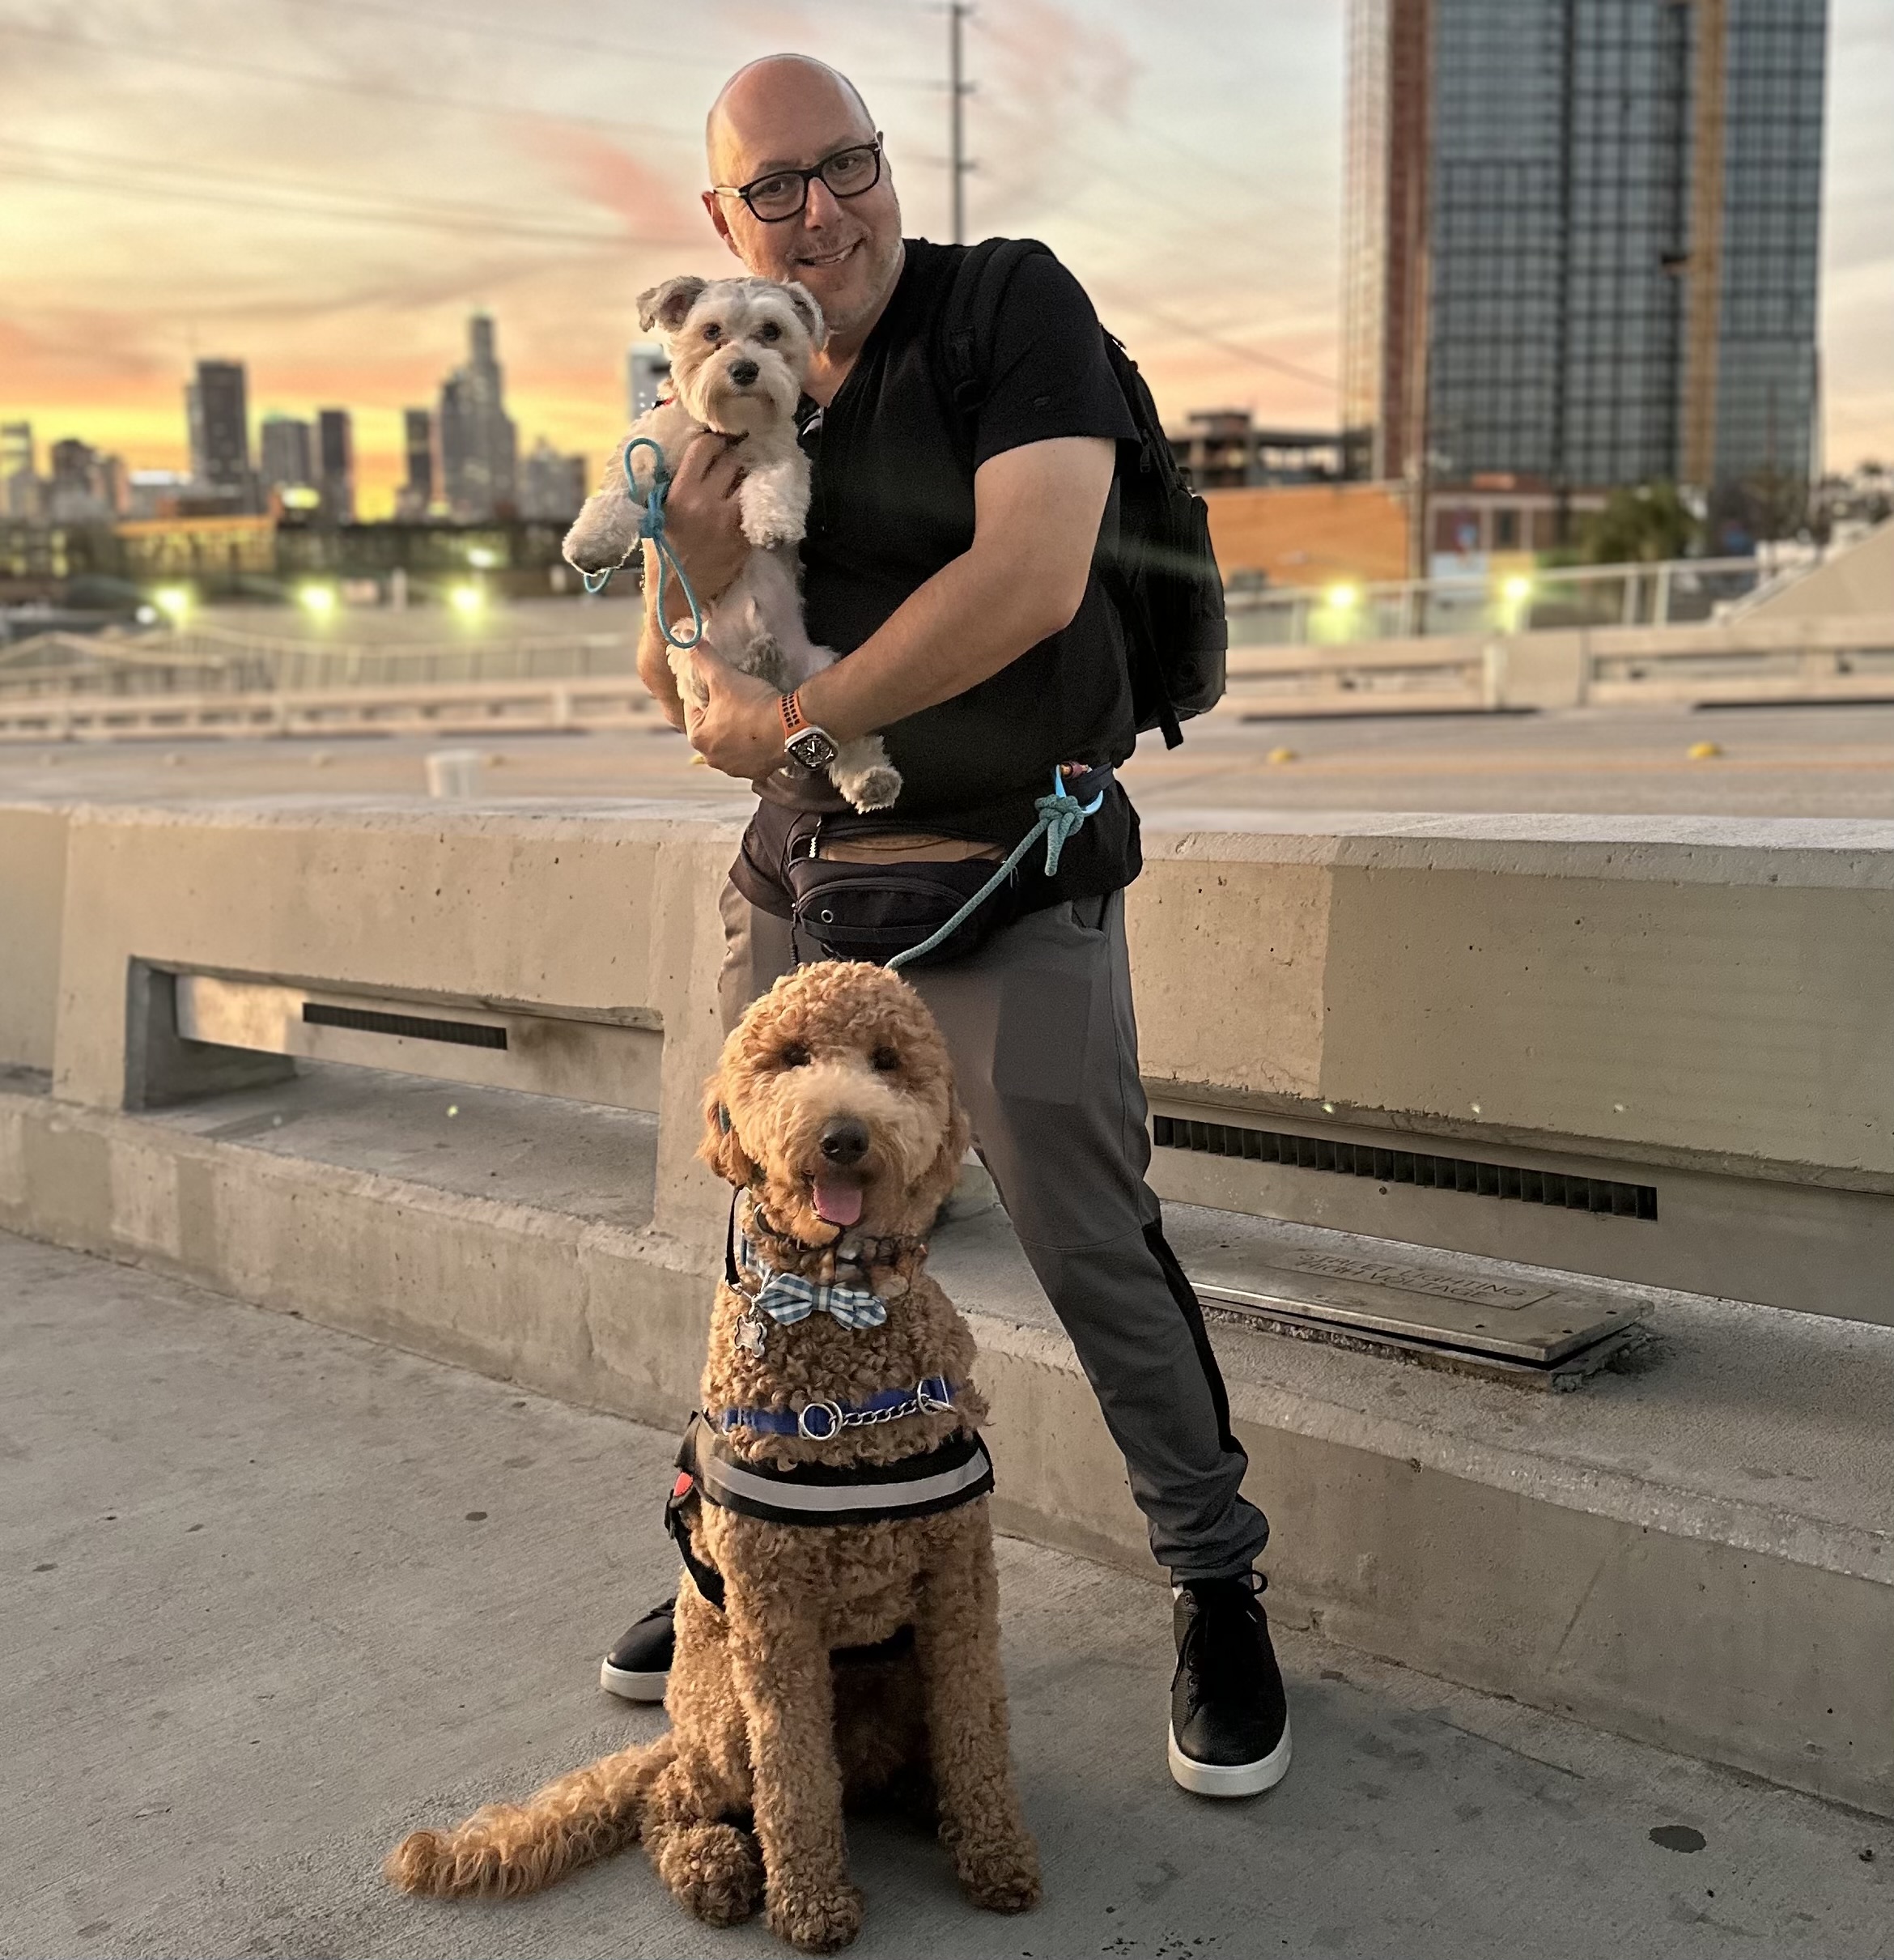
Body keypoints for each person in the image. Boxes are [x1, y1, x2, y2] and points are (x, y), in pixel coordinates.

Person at [600, 53, 1289, 1800]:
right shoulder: (720, 379)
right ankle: (730, 1558)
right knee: (771, 1234)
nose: (821, 209)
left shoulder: (1009, 307)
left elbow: (1033, 572)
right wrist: (685, 556)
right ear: (721, 221)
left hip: (1009, 860)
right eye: (777, 185)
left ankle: (1215, 1575)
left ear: (886, 166)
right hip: (805, 876)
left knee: (1085, 1233)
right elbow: (663, 679)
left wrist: (795, 723)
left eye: (849, 165)